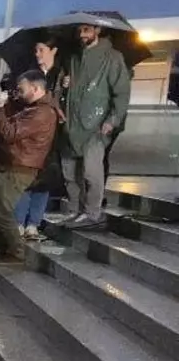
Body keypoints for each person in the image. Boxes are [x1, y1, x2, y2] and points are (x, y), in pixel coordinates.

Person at [0, 70, 59, 265]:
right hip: (7, 163)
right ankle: (5, 249)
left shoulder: (42, 113)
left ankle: (15, 252)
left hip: (19, 167)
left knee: (2, 211)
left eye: (21, 89)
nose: (18, 93)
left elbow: (10, 134)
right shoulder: (30, 108)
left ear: (35, 88)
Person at [60, 23, 131, 229]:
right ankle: (76, 210)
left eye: (86, 30)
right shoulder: (73, 58)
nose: (81, 34)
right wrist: (63, 84)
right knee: (70, 173)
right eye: (79, 30)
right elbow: (66, 90)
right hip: (72, 123)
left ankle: (92, 213)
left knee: (91, 172)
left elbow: (122, 93)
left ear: (98, 30)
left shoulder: (113, 57)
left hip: (97, 126)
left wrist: (112, 120)